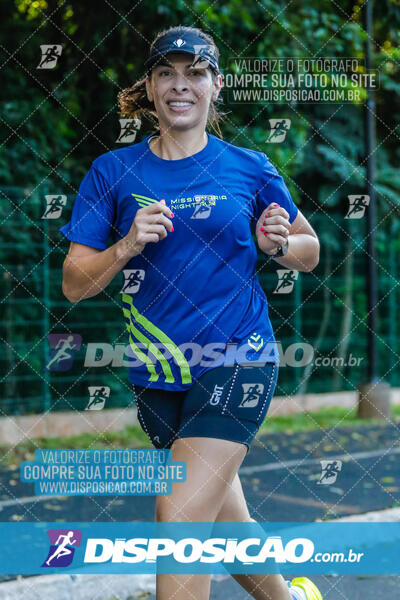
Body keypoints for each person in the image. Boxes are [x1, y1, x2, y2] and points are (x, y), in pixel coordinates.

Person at [60, 24, 321, 600]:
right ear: (149, 89)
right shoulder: (114, 171)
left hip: (238, 357)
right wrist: (126, 246)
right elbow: (75, 284)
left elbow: (310, 250)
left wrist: (278, 244)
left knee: (178, 517)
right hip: (158, 373)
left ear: (215, 86)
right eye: (167, 74)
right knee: (227, 531)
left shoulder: (250, 167)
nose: (181, 85)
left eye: (195, 73)